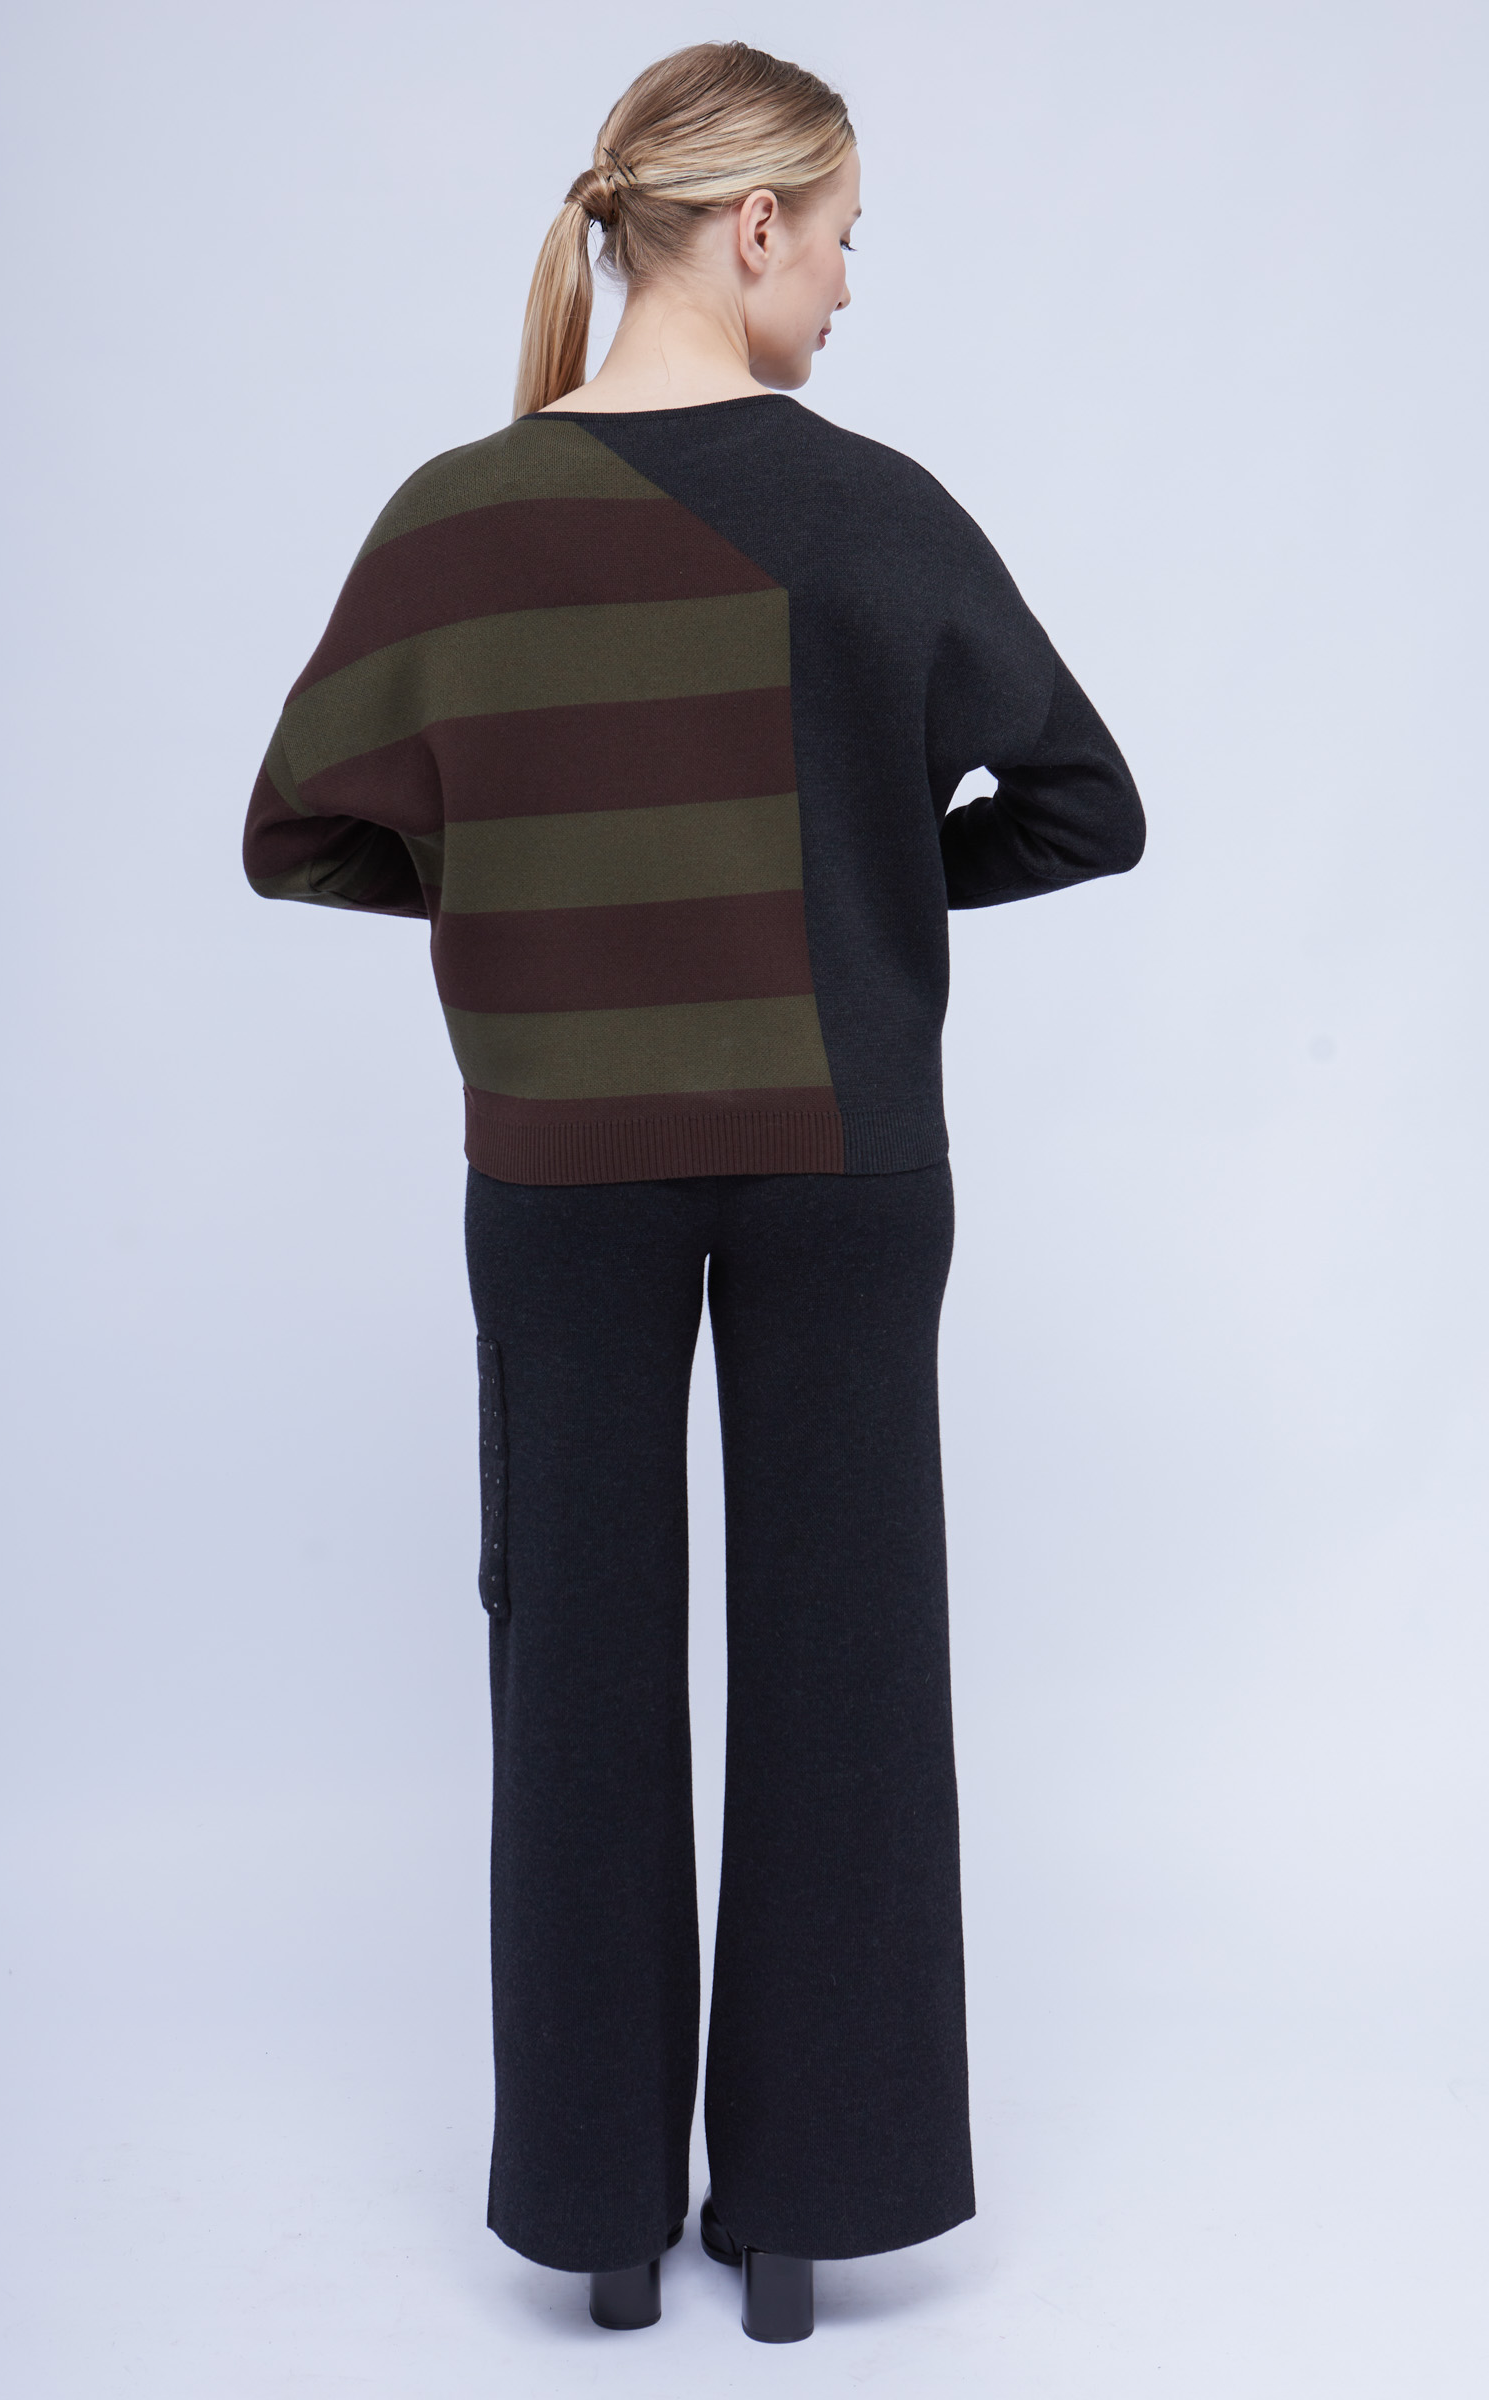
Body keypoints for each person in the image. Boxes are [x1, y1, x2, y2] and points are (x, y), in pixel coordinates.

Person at [242, 39, 1144, 2346]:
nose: (844, 288)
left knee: (571, 1674)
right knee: (847, 1669)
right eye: (838, 243)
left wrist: (536, 904)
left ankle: (598, 2223)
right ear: (750, 231)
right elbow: (1083, 804)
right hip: (844, 1156)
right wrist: (859, 889)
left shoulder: (451, 518)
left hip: (557, 1169)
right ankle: (805, 2225)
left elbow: (299, 829)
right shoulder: (871, 513)